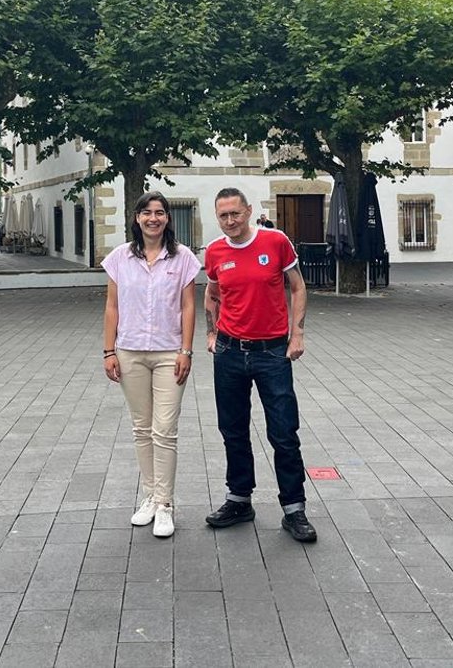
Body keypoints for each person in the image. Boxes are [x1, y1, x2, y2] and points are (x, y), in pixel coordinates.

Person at [203, 187, 316, 543]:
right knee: (232, 429)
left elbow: (298, 287)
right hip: (229, 352)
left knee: (283, 431)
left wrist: (297, 334)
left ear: (249, 211)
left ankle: (294, 508)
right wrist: (211, 332)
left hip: (272, 353)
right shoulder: (215, 251)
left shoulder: (275, 241)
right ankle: (239, 499)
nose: (230, 221)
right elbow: (212, 293)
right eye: (223, 216)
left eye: (235, 213)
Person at [102, 191, 200, 538]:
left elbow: (188, 307)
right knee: (142, 429)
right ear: (137, 218)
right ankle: (150, 497)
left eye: (159, 212)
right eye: (147, 212)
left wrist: (186, 350)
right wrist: (109, 351)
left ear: (168, 218)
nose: (153, 218)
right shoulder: (119, 258)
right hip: (130, 352)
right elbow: (112, 306)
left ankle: (165, 504)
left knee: (164, 430)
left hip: (169, 353)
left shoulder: (183, 258)